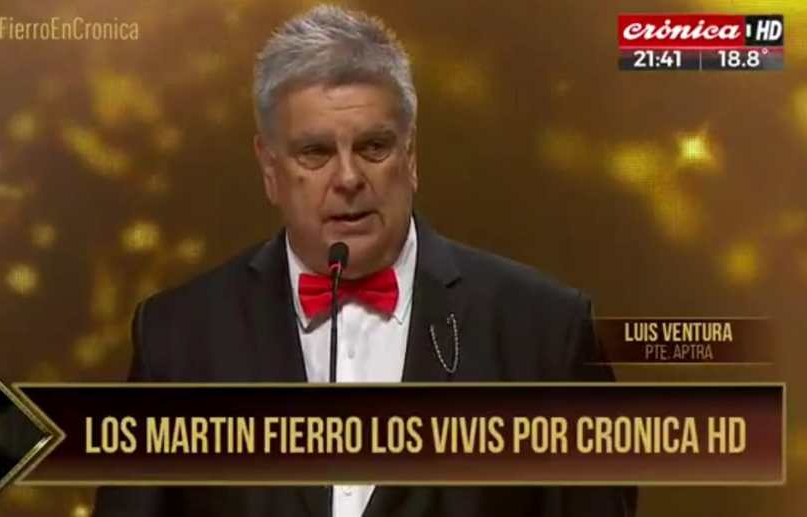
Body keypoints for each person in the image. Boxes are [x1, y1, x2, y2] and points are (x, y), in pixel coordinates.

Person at [93, 5, 635, 517]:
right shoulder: (178, 339)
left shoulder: (544, 333)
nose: (349, 178)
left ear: (411, 156)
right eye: (316, 152)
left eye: (374, 147)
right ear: (270, 169)